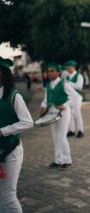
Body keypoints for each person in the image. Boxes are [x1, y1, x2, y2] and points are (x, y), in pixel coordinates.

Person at [0, 57, 33, 213]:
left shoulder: (14, 96)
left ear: (3, 74)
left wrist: (3, 131)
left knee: (8, 196)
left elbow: (27, 122)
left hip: (11, 151)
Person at [40, 63, 78, 170]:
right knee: (55, 137)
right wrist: (43, 106)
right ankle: (58, 160)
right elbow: (46, 99)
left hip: (63, 112)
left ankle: (67, 160)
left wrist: (65, 105)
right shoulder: (48, 85)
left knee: (61, 136)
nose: (50, 73)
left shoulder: (64, 84)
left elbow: (74, 96)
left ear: (58, 72)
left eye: (52, 71)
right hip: (52, 113)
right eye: (48, 71)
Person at [64, 60, 84, 138]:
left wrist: (68, 83)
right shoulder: (67, 76)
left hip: (77, 97)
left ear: (73, 67)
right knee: (70, 114)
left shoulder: (79, 76)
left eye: (69, 68)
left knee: (77, 114)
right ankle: (71, 130)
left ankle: (80, 130)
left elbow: (79, 86)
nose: (68, 69)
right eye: (67, 68)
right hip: (69, 97)